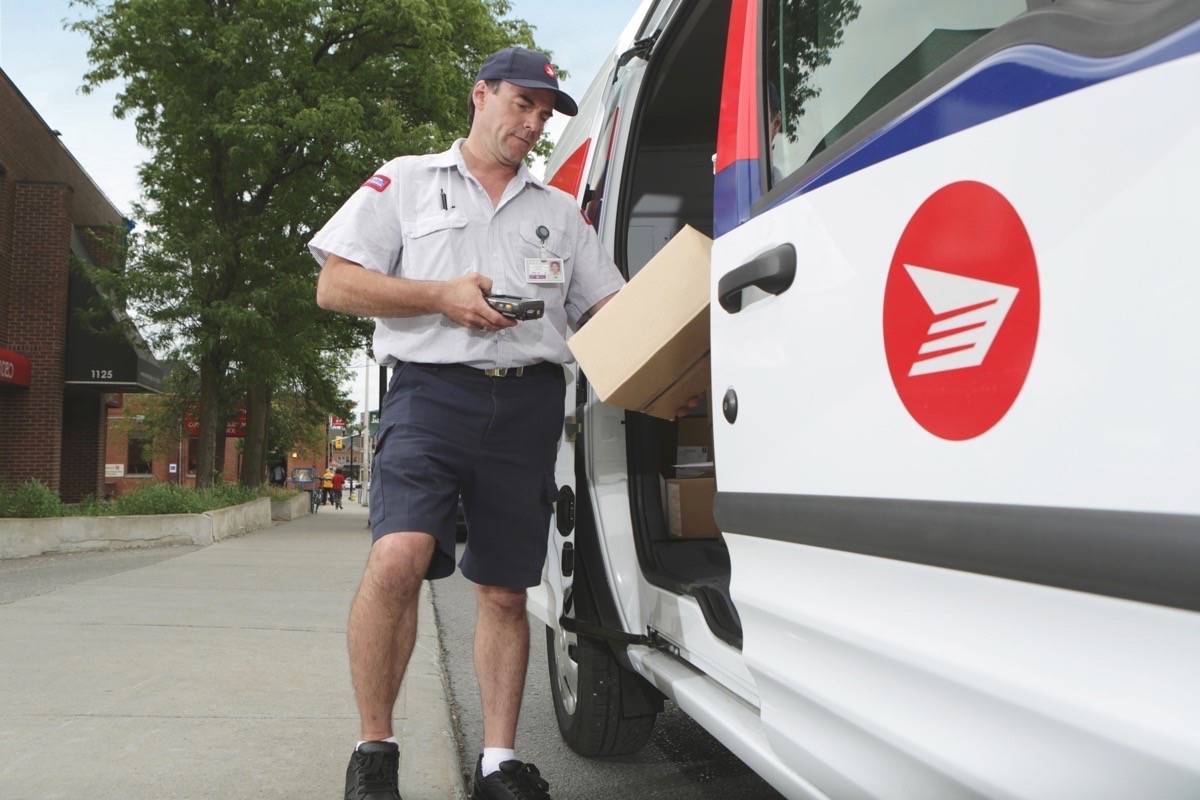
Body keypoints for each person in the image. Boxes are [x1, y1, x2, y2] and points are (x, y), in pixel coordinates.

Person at [311, 46, 626, 800]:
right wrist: (440, 297)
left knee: (507, 589)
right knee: (400, 558)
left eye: (544, 114)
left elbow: (608, 309)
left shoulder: (557, 213)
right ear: (480, 96)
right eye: (522, 104)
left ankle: (498, 764)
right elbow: (335, 284)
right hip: (429, 392)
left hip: (528, 403)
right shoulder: (407, 181)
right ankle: (375, 752)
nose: (533, 123)